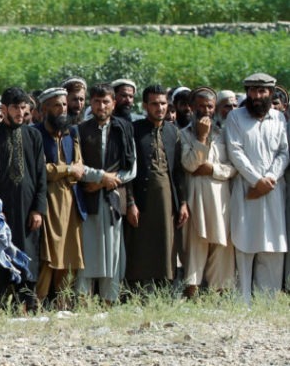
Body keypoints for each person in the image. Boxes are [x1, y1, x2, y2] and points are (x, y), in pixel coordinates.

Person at [223, 73, 287, 301]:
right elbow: (235, 151)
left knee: (272, 245)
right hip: (246, 189)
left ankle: (267, 303)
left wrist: (269, 177)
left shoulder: (279, 119)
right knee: (243, 242)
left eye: (262, 91)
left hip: (272, 190)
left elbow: (283, 151)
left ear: (270, 93)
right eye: (252, 91)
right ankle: (243, 301)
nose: (256, 96)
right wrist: (256, 180)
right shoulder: (235, 117)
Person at [74, 84, 136, 304]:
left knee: (113, 251)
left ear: (114, 103)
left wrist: (102, 182)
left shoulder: (123, 129)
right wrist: (100, 176)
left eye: (106, 102)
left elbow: (131, 169)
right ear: (91, 103)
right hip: (86, 200)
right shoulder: (81, 130)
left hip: (112, 198)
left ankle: (110, 299)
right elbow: (77, 167)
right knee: (88, 249)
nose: (101, 106)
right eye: (97, 102)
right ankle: (83, 300)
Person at [0, 86, 46, 310]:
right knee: (0, 250)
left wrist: (39, 209)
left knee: (28, 251)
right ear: (4, 108)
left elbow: (41, 174)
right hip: (1, 207)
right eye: (16, 108)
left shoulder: (33, 135)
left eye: (24, 107)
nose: (21, 112)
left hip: (29, 207)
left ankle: (29, 302)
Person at [125, 85, 188, 292]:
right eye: (154, 104)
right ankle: (139, 292)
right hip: (142, 199)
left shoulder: (173, 131)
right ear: (145, 106)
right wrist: (130, 202)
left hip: (168, 198)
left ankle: (165, 291)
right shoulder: (134, 130)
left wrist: (184, 202)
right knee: (141, 246)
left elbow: (178, 171)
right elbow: (128, 170)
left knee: (166, 244)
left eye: (163, 103)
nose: (159, 108)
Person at [178, 87, 236, 298]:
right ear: (192, 108)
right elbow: (189, 164)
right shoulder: (182, 135)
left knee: (222, 243)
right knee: (196, 243)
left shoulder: (223, 135)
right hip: (196, 196)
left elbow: (233, 167)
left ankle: (217, 292)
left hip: (220, 196)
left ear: (215, 109)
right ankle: (191, 290)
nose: (206, 110)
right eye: (201, 106)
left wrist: (213, 169)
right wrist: (201, 139)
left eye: (210, 106)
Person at [33, 87, 85, 306]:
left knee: (69, 251)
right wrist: (67, 170)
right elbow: (41, 169)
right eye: (57, 105)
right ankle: (38, 300)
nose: (62, 109)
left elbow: (79, 166)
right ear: (45, 108)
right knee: (49, 252)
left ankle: (62, 301)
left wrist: (70, 171)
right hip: (49, 198)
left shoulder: (71, 133)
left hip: (71, 198)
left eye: (64, 104)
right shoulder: (35, 133)